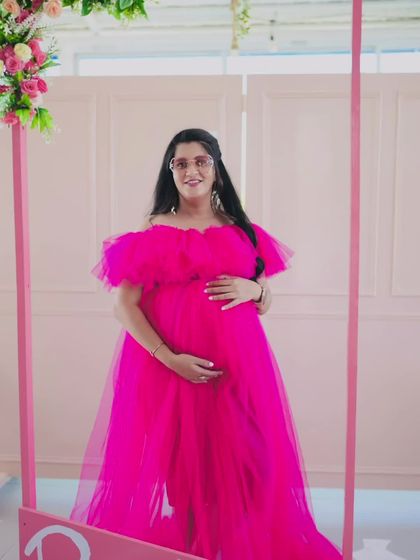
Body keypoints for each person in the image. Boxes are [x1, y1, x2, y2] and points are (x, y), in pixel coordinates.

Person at [70, 128, 343, 560]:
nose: (191, 170)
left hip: (240, 369)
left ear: (216, 168)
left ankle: (233, 548)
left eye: (201, 161)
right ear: (170, 172)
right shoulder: (155, 230)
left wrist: (255, 290)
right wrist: (170, 359)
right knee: (187, 476)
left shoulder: (241, 230)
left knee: (253, 466)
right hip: (174, 374)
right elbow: (124, 306)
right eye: (180, 163)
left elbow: (264, 298)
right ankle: (194, 551)